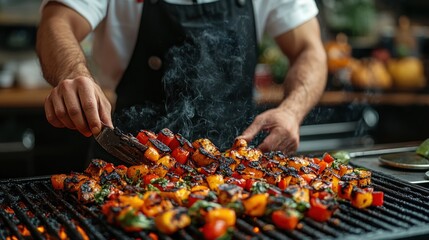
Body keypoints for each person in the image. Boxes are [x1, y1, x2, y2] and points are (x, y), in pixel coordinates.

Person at [36, 0, 327, 163]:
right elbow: (57, 22)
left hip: (236, 169)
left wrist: (292, 111)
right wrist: (72, 73)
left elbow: (310, 49)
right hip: (128, 164)